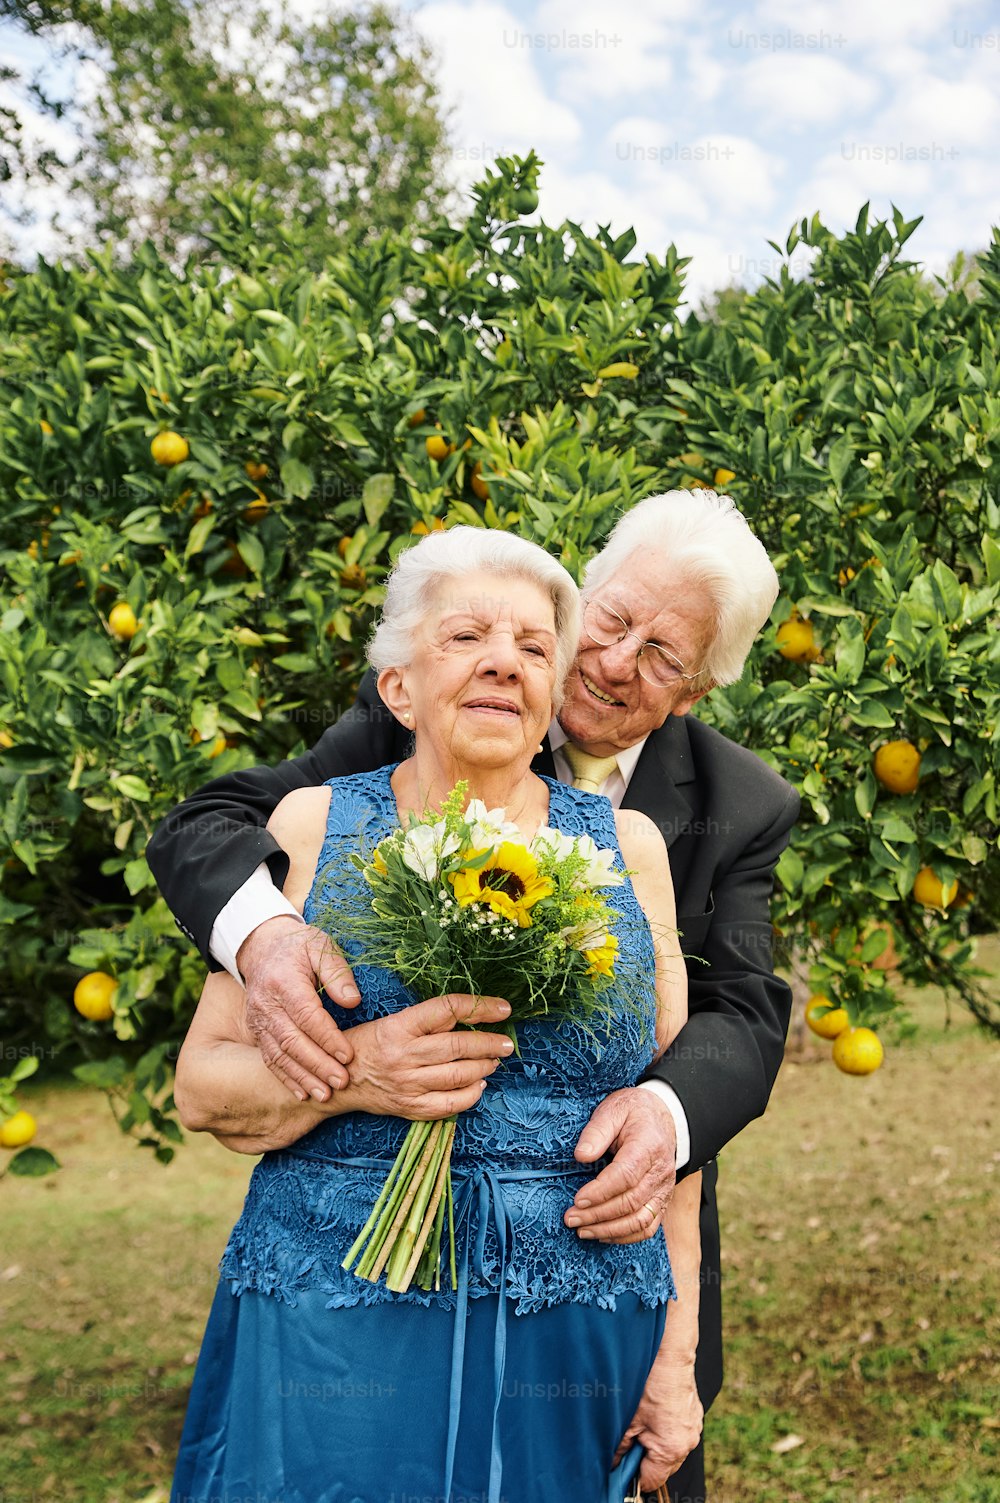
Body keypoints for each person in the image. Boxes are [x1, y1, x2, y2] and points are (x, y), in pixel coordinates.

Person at [148, 489, 801, 1502]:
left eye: (663, 657)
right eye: (611, 622)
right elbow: (212, 828)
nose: (614, 663)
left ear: (695, 691)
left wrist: (665, 1122)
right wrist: (272, 946)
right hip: (347, 1310)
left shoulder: (712, 819)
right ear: (400, 685)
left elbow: (732, 1027)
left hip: (582, 1313)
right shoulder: (373, 756)